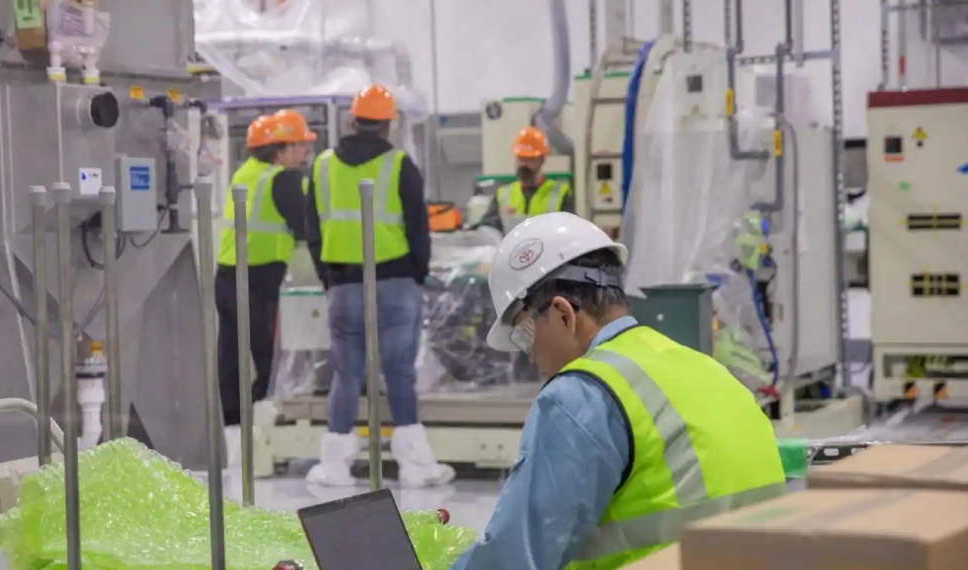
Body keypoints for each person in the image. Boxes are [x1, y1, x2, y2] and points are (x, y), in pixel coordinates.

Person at [450, 212, 787, 570]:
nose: (532, 357)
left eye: (525, 334)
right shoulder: (704, 368)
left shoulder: (580, 396)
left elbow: (513, 558)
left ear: (564, 313)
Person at [302, 84, 454, 488]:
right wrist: (417, 273)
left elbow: (312, 230)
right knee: (400, 372)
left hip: (343, 284)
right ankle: (416, 468)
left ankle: (334, 466)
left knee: (346, 373)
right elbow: (419, 230)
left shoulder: (322, 166)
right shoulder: (401, 166)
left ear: (352, 120)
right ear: (389, 124)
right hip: (395, 282)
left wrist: (329, 277)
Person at [217, 111, 317, 471]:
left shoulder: (243, 174)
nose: (306, 151)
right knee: (270, 360)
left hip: (227, 275)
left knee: (230, 360)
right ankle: (261, 439)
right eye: (301, 144)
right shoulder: (283, 180)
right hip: (261, 280)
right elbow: (307, 226)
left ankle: (234, 440)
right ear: (281, 150)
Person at [475, 126, 574, 233]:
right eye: (520, 158)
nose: (523, 164)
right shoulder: (503, 194)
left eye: (529, 160)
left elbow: (570, 230)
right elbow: (487, 227)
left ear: (541, 161)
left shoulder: (560, 193)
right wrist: (500, 219)